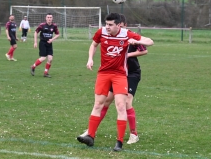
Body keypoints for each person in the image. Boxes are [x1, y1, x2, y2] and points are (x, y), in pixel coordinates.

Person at [76, 13, 154, 151]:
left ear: (119, 25)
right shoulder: (101, 32)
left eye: (110, 25)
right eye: (106, 24)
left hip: (120, 75)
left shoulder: (127, 33)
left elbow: (149, 42)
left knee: (121, 106)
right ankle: (90, 136)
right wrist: (90, 58)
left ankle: (120, 141)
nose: (107, 27)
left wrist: (136, 41)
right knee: (99, 103)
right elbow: (94, 44)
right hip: (103, 74)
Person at [30, 13, 60, 78]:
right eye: (48, 17)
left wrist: (52, 39)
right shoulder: (42, 25)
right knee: (43, 58)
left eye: (50, 17)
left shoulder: (54, 26)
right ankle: (33, 66)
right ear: (46, 18)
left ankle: (46, 73)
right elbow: (36, 32)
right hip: (42, 43)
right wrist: (35, 42)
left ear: (52, 18)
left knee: (50, 59)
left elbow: (58, 34)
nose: (49, 19)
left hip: (49, 44)